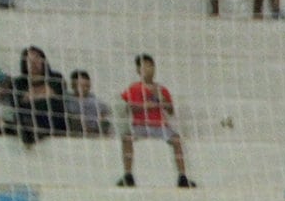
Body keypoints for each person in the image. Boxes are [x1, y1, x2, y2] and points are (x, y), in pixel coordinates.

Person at [118, 55, 194, 188]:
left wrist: (161, 99)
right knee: (126, 138)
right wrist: (147, 106)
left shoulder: (161, 89)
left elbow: (170, 110)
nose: (148, 69)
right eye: (144, 66)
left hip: (160, 126)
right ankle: (128, 175)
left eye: (151, 66)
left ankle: (182, 176)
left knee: (177, 140)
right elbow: (130, 108)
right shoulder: (134, 88)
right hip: (140, 125)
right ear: (138, 70)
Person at [11, 46, 69, 147]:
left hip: (52, 118)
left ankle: (34, 132)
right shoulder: (18, 83)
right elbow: (16, 104)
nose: (33, 63)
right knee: (21, 116)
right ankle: (31, 132)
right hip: (28, 118)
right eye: (29, 60)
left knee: (52, 106)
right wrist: (43, 94)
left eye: (37, 59)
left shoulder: (56, 78)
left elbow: (56, 98)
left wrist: (31, 96)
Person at [63, 70, 111, 136]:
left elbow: (104, 115)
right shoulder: (66, 100)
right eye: (81, 86)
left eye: (87, 86)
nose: (84, 89)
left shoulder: (96, 102)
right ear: (73, 85)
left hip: (93, 131)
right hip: (73, 130)